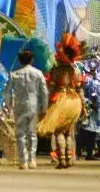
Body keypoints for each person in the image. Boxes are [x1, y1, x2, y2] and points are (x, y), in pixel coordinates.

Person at [37, 33, 84, 169]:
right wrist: (84, 106)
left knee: (58, 132)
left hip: (61, 100)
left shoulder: (56, 71)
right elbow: (80, 90)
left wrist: (47, 105)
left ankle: (62, 159)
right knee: (69, 131)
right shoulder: (76, 71)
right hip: (74, 101)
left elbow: (51, 89)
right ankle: (69, 158)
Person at [7, 47, 49, 170]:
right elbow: (44, 92)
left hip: (19, 106)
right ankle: (32, 160)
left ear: (20, 61)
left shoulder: (14, 74)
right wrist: (45, 108)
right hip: (34, 105)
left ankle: (23, 161)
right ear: (31, 60)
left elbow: (8, 92)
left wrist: (8, 106)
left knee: (20, 134)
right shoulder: (38, 73)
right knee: (32, 134)